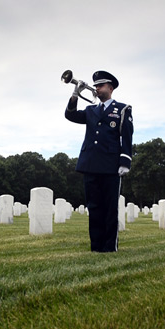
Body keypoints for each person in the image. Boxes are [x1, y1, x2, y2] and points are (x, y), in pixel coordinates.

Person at [65, 71, 133, 252]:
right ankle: (96, 246)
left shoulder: (123, 109)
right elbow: (70, 116)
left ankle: (110, 246)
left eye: (100, 85)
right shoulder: (90, 110)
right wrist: (74, 94)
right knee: (94, 207)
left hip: (111, 166)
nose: (96, 88)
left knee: (110, 208)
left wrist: (125, 161)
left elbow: (126, 137)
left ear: (110, 88)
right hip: (90, 163)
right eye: (95, 85)